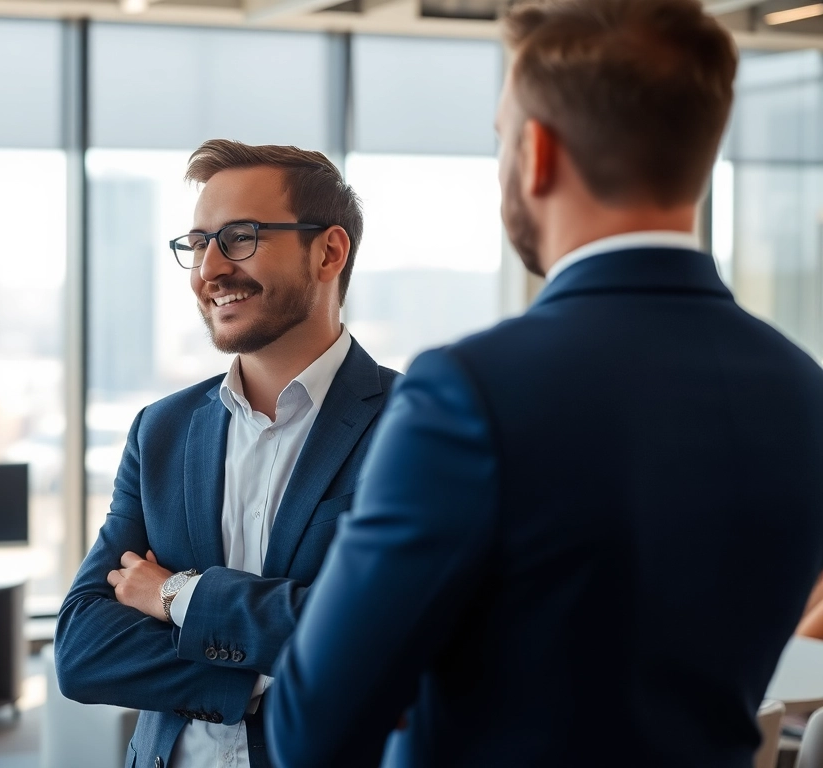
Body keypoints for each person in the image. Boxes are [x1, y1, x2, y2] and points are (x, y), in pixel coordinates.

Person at [265, 1, 823, 765]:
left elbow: (313, 728)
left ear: (536, 153)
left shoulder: (470, 392)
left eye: (502, 138)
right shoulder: (801, 391)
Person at [55, 139, 400, 768]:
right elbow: (83, 649)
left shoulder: (410, 426)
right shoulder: (161, 430)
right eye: (197, 244)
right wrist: (260, 676)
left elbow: (384, 639)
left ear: (328, 252)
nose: (208, 270)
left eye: (240, 237)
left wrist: (175, 595)